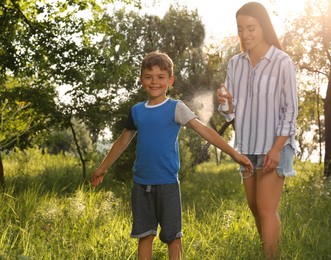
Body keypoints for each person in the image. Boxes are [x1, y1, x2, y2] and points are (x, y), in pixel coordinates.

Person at [91, 51, 253, 260]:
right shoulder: (137, 111)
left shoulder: (176, 108)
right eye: (149, 77)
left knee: (173, 237)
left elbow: (203, 130)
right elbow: (123, 140)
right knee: (145, 235)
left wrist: (235, 154)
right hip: (141, 184)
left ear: (170, 80)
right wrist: (102, 168)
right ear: (142, 80)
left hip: (167, 184)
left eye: (160, 77)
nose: (154, 82)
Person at [216, 2, 298, 259]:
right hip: (246, 147)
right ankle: (273, 252)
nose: (246, 34)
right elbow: (230, 112)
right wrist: (226, 102)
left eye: (251, 28)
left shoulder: (282, 62)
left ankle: (269, 257)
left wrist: (276, 148)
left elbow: (291, 110)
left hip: (275, 146)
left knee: (265, 207)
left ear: (264, 27)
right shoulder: (235, 64)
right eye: (241, 29)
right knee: (255, 208)